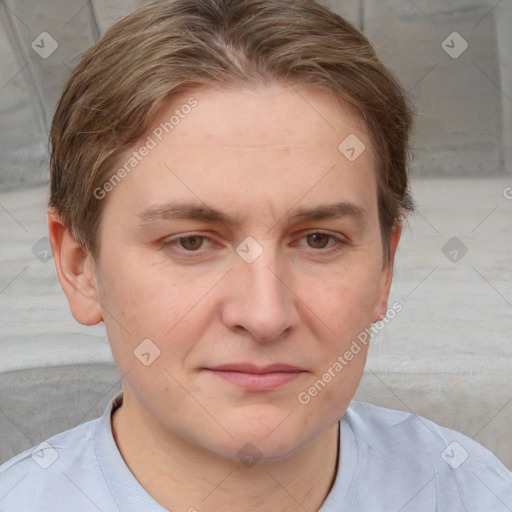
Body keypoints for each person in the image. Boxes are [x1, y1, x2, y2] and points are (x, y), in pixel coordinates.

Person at [1, 0, 511, 510]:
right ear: (79, 267)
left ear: (384, 271)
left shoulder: (470, 491)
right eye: (192, 242)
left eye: (319, 240)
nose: (266, 315)